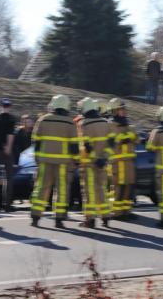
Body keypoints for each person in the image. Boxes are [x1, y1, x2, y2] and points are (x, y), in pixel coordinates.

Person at [30, 95, 79, 228]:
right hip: (63, 163)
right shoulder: (70, 122)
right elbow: (74, 145)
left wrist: (36, 157)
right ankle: (59, 219)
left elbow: (36, 141)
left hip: (45, 161)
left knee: (41, 188)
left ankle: (35, 217)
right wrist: (76, 160)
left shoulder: (43, 119)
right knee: (62, 191)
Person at [77, 97, 114, 228]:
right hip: (103, 164)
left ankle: (90, 219)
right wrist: (104, 158)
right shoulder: (106, 123)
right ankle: (106, 217)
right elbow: (111, 143)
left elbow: (86, 146)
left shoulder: (83, 123)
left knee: (90, 192)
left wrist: (95, 159)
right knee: (101, 190)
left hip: (89, 164)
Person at [107, 98, 137, 221]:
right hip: (117, 162)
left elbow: (137, 139)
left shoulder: (126, 124)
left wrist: (131, 135)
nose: (122, 112)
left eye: (123, 109)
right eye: (120, 110)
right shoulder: (110, 124)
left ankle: (126, 210)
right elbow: (118, 139)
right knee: (118, 186)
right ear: (114, 111)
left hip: (128, 160)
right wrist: (131, 134)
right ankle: (116, 212)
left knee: (128, 186)